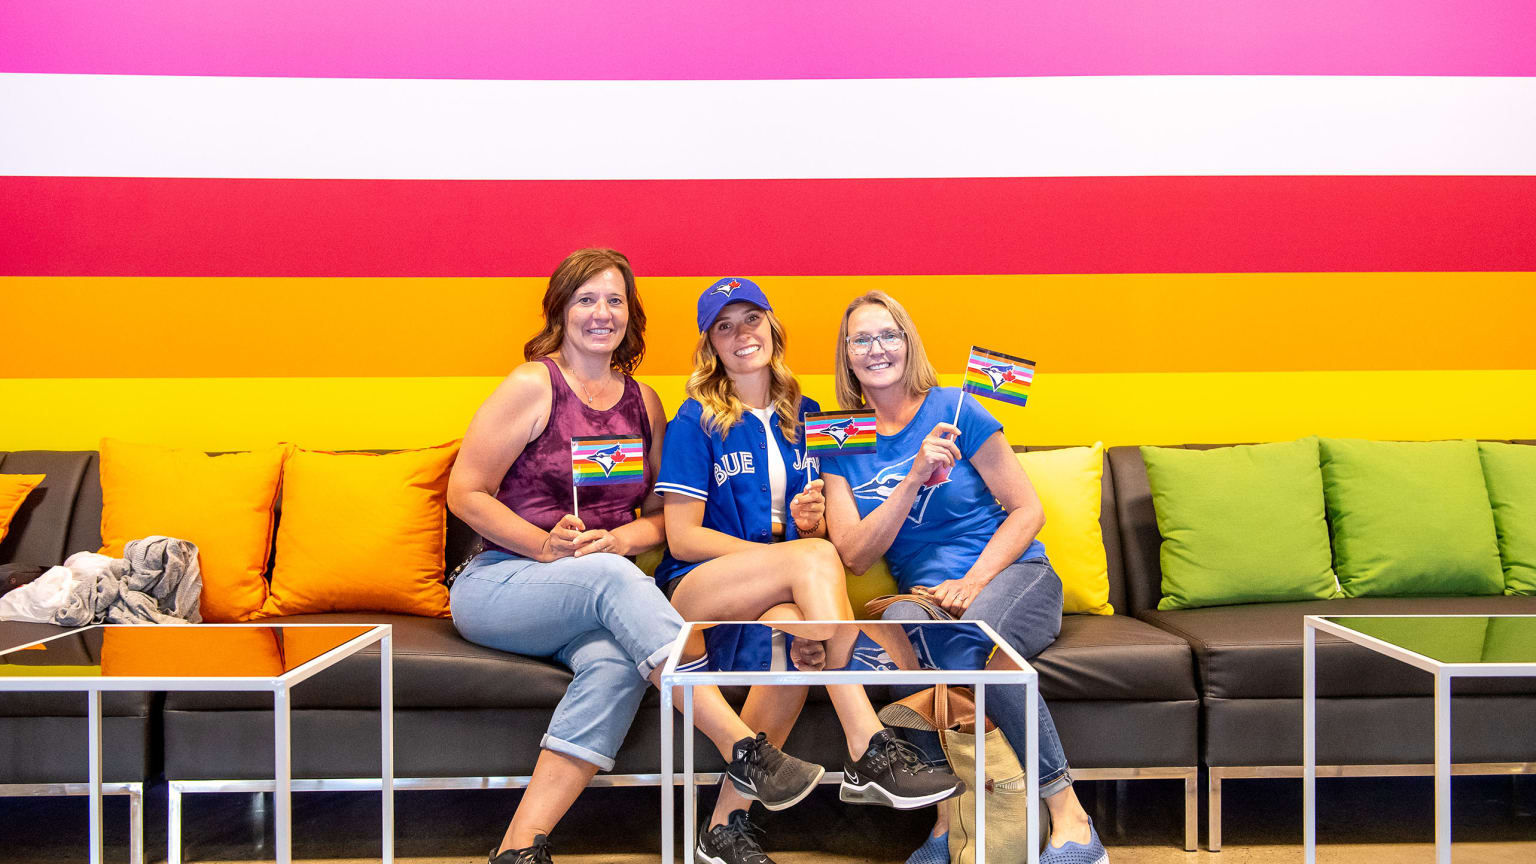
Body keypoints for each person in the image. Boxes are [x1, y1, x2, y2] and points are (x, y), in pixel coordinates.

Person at [447, 250, 824, 864]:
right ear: (561, 310)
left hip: (594, 595)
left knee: (616, 663)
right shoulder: (531, 384)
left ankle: (517, 851)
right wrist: (544, 544)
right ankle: (745, 750)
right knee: (608, 577)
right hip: (503, 581)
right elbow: (464, 492)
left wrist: (622, 539)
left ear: (631, 314)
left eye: (615, 300)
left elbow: (660, 518)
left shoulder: (644, 402)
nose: (602, 312)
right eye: (587, 299)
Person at [653, 278, 964, 864]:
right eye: (725, 326)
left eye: (752, 319)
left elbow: (817, 534)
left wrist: (805, 524)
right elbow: (683, 537)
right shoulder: (695, 419)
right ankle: (867, 745)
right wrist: (793, 554)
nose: (742, 334)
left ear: (773, 327)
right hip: (696, 591)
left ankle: (722, 829)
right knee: (813, 571)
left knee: (801, 635)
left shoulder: (812, 416)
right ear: (710, 346)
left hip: (780, 597)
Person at [818, 290, 1109, 864]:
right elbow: (852, 554)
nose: (877, 349)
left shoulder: (957, 408)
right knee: (898, 628)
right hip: (927, 599)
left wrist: (975, 581)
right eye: (862, 339)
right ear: (846, 355)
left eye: (889, 334)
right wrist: (913, 477)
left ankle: (1073, 821)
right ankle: (949, 822)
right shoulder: (839, 436)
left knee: (984, 638)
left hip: (1013, 575)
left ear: (908, 341)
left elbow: (1028, 510)